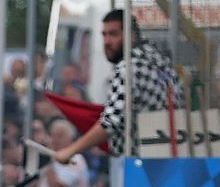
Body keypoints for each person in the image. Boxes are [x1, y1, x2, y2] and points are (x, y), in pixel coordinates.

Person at [57, 9, 181, 163]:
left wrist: (71, 150)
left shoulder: (128, 68)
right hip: (169, 157)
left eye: (113, 34)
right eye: (104, 35)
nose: (107, 41)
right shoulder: (160, 61)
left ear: (132, 34)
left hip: (138, 164)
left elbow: (111, 122)